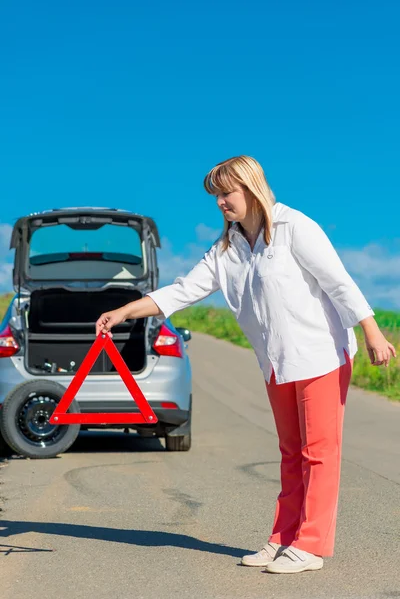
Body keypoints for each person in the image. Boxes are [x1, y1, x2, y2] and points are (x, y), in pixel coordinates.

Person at [95, 155, 396, 574]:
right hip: (277, 363)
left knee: (318, 453)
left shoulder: (294, 228)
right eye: (215, 195)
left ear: (251, 188)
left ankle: (310, 546)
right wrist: (127, 310)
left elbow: (338, 282)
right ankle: (283, 538)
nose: (220, 202)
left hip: (320, 354)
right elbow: (185, 290)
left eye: (226, 192)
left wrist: (372, 331)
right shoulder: (228, 248)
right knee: (292, 454)